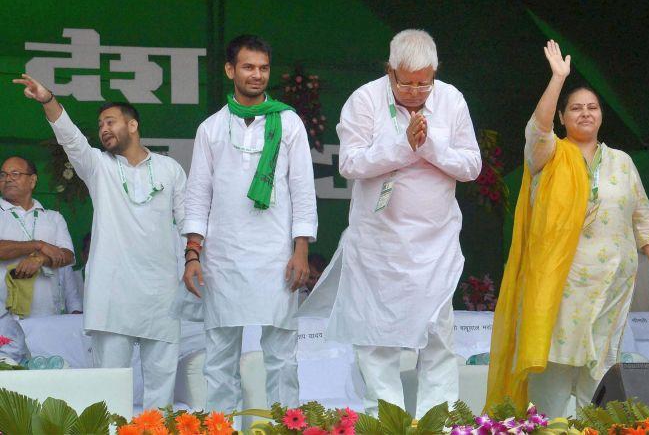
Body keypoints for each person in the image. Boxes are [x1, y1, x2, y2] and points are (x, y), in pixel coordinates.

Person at [486, 40, 649, 417]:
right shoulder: (549, 154)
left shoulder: (621, 162)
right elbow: (537, 127)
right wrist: (557, 79)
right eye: (575, 108)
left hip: (610, 291)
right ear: (562, 117)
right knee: (552, 374)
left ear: (602, 115)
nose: (585, 114)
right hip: (559, 288)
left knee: (600, 376)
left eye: (592, 107)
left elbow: (643, 217)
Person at [305, 29, 481, 418]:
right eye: (407, 83)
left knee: (438, 339)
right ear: (389, 71)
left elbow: (471, 165)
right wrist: (404, 145)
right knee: (376, 342)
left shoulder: (451, 99)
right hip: (379, 244)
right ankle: (386, 424)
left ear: (435, 72)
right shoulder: (364, 100)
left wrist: (430, 145)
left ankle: (439, 423)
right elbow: (350, 163)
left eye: (425, 82)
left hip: (435, 244)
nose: (417, 91)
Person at [13, 75, 187, 409]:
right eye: (100, 124)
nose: (103, 128)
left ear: (132, 124)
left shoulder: (169, 169)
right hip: (113, 292)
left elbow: (188, 221)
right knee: (110, 387)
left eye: (110, 121)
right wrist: (48, 100)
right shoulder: (98, 167)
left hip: (160, 291)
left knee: (161, 387)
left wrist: (191, 262)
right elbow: (71, 139)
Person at [182, 34, 317, 413]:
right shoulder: (210, 128)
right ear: (230, 70)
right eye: (248, 67)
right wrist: (193, 254)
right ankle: (222, 426)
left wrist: (301, 250)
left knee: (282, 359)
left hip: (276, 257)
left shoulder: (289, 123)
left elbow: (303, 190)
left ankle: (282, 425)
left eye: (263, 68)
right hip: (222, 258)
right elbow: (198, 195)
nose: (257, 75)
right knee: (220, 361)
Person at [0, 156, 75, 318]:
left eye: (15, 174)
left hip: (46, 314)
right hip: (3, 317)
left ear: (32, 180)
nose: (7, 179)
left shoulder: (54, 218)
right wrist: (38, 245)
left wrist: (40, 259)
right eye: (3, 175)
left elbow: (68, 256)